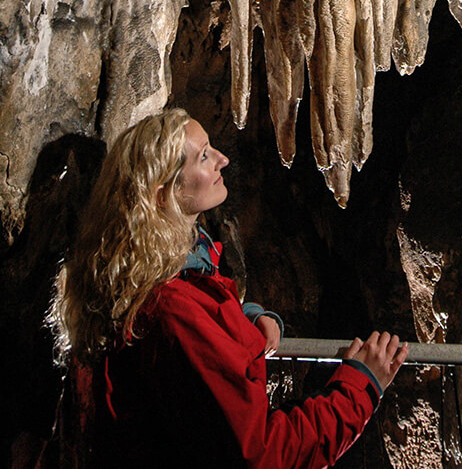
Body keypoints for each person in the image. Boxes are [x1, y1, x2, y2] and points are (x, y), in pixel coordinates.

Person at [50, 107, 408, 468]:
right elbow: (260, 454)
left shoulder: (156, 274)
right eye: (204, 156)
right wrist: (360, 386)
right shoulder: (172, 307)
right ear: (163, 195)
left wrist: (242, 320)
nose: (222, 159)